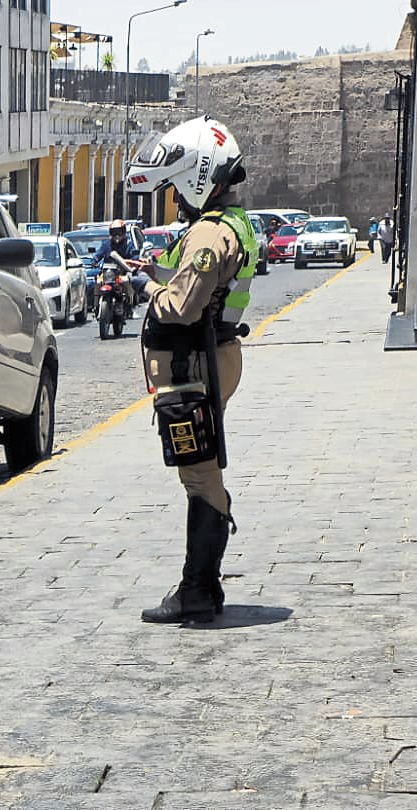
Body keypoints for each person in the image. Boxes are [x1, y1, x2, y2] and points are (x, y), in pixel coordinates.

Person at [123, 115, 258, 625]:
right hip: (209, 360)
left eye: (177, 189)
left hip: (193, 366)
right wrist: (157, 273)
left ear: (199, 178)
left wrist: (146, 290)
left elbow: (180, 306)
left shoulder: (207, 233)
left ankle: (198, 589)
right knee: (201, 473)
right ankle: (201, 583)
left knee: (199, 477)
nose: (175, 201)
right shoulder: (229, 225)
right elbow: (199, 283)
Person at [91, 218, 149, 305]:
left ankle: (130, 302)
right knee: (98, 282)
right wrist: (94, 261)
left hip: (122, 272)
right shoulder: (106, 244)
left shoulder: (128, 244)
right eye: (114, 232)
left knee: (126, 281)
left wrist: (132, 262)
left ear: (124, 232)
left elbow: (134, 256)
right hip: (108, 273)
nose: (117, 235)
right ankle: (95, 305)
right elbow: (98, 255)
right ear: (110, 233)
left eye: (119, 232)